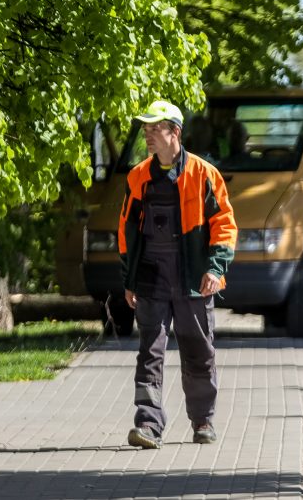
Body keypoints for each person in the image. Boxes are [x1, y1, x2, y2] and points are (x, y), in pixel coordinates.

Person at [117, 99, 237, 449]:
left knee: (198, 351)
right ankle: (148, 426)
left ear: (175, 133)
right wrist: (129, 280)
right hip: (152, 278)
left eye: (155, 129)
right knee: (149, 354)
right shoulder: (138, 176)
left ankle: (203, 421)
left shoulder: (204, 175)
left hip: (193, 279)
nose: (148, 136)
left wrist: (215, 269)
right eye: (146, 130)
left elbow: (225, 225)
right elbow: (126, 231)